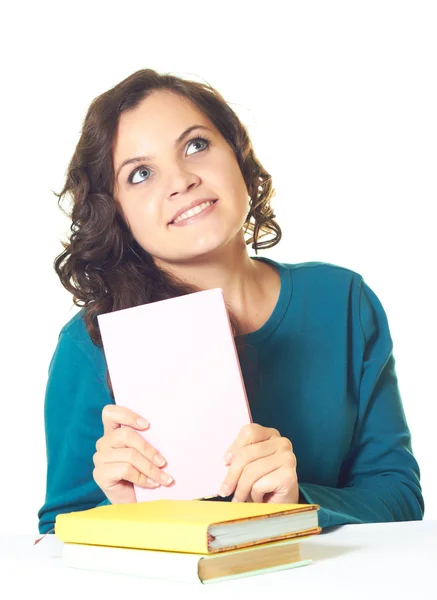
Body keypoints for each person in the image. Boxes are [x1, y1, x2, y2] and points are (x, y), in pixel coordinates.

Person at [37, 68, 424, 534]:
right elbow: (56, 532)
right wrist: (122, 512)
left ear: (238, 154)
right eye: (141, 174)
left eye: (196, 145)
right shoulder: (92, 344)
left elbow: (400, 498)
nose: (180, 181)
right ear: (115, 211)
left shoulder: (342, 300)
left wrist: (296, 502)